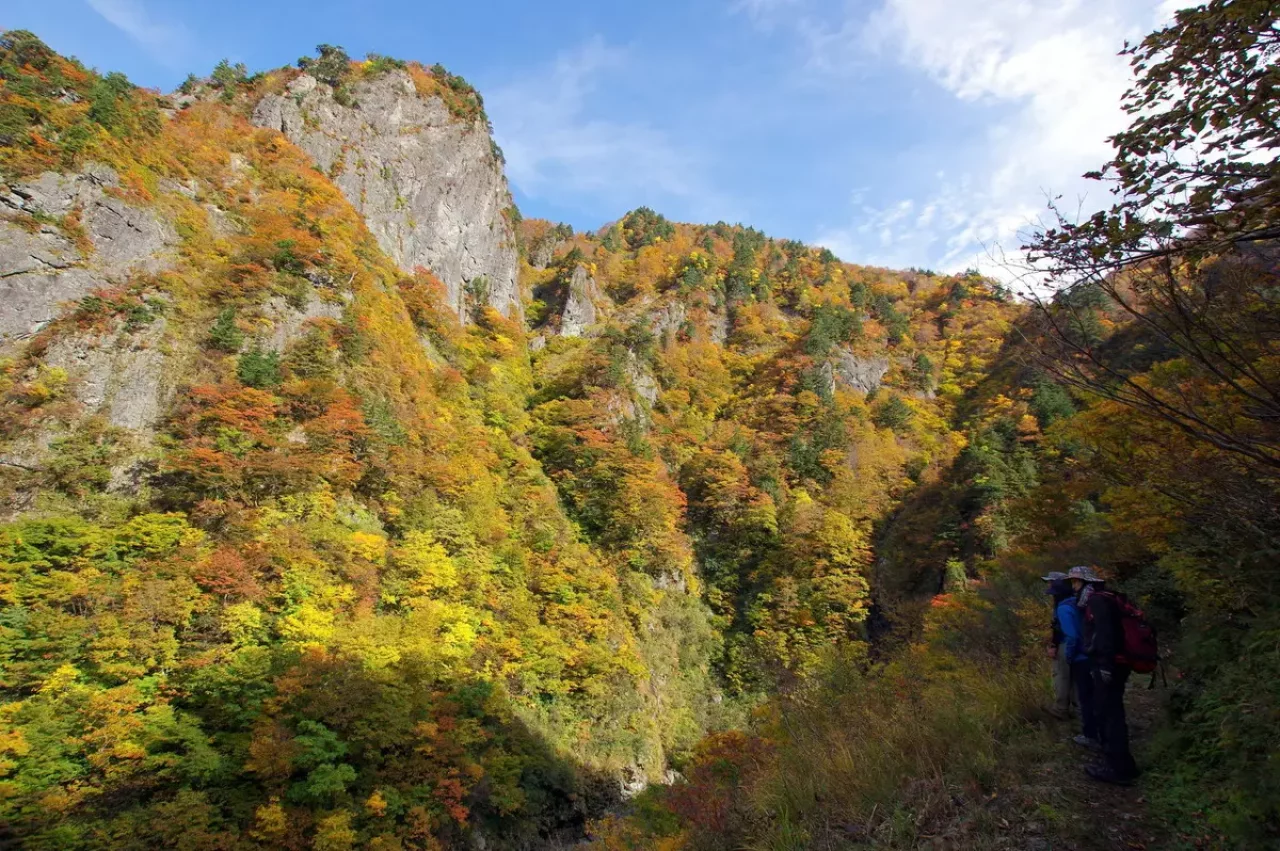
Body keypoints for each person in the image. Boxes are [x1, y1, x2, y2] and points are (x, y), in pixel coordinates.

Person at [1070, 565, 1139, 785]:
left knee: (1108, 714)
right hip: (1115, 664)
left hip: (1108, 665)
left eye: (1076, 582)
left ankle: (1116, 768)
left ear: (1086, 583)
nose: (1073, 587)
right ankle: (1124, 764)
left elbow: (1106, 635)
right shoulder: (1106, 598)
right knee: (1113, 712)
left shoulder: (1096, 601)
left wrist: (1105, 666)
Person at [1056, 575, 1099, 750]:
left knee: (1086, 698)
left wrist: (1069, 656)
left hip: (1082, 657)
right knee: (1094, 696)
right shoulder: (1082, 603)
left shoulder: (1063, 608)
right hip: (1096, 654)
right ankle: (1102, 733)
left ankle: (1091, 735)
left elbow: (1072, 635)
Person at [1041, 571, 1073, 719]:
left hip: (1066, 643)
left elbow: (1061, 628)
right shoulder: (1075, 600)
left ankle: (1061, 709)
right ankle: (1080, 709)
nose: (1049, 584)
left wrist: (1054, 645)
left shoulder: (1062, 605)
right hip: (1077, 645)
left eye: (1051, 581)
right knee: (1075, 678)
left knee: (1061, 675)